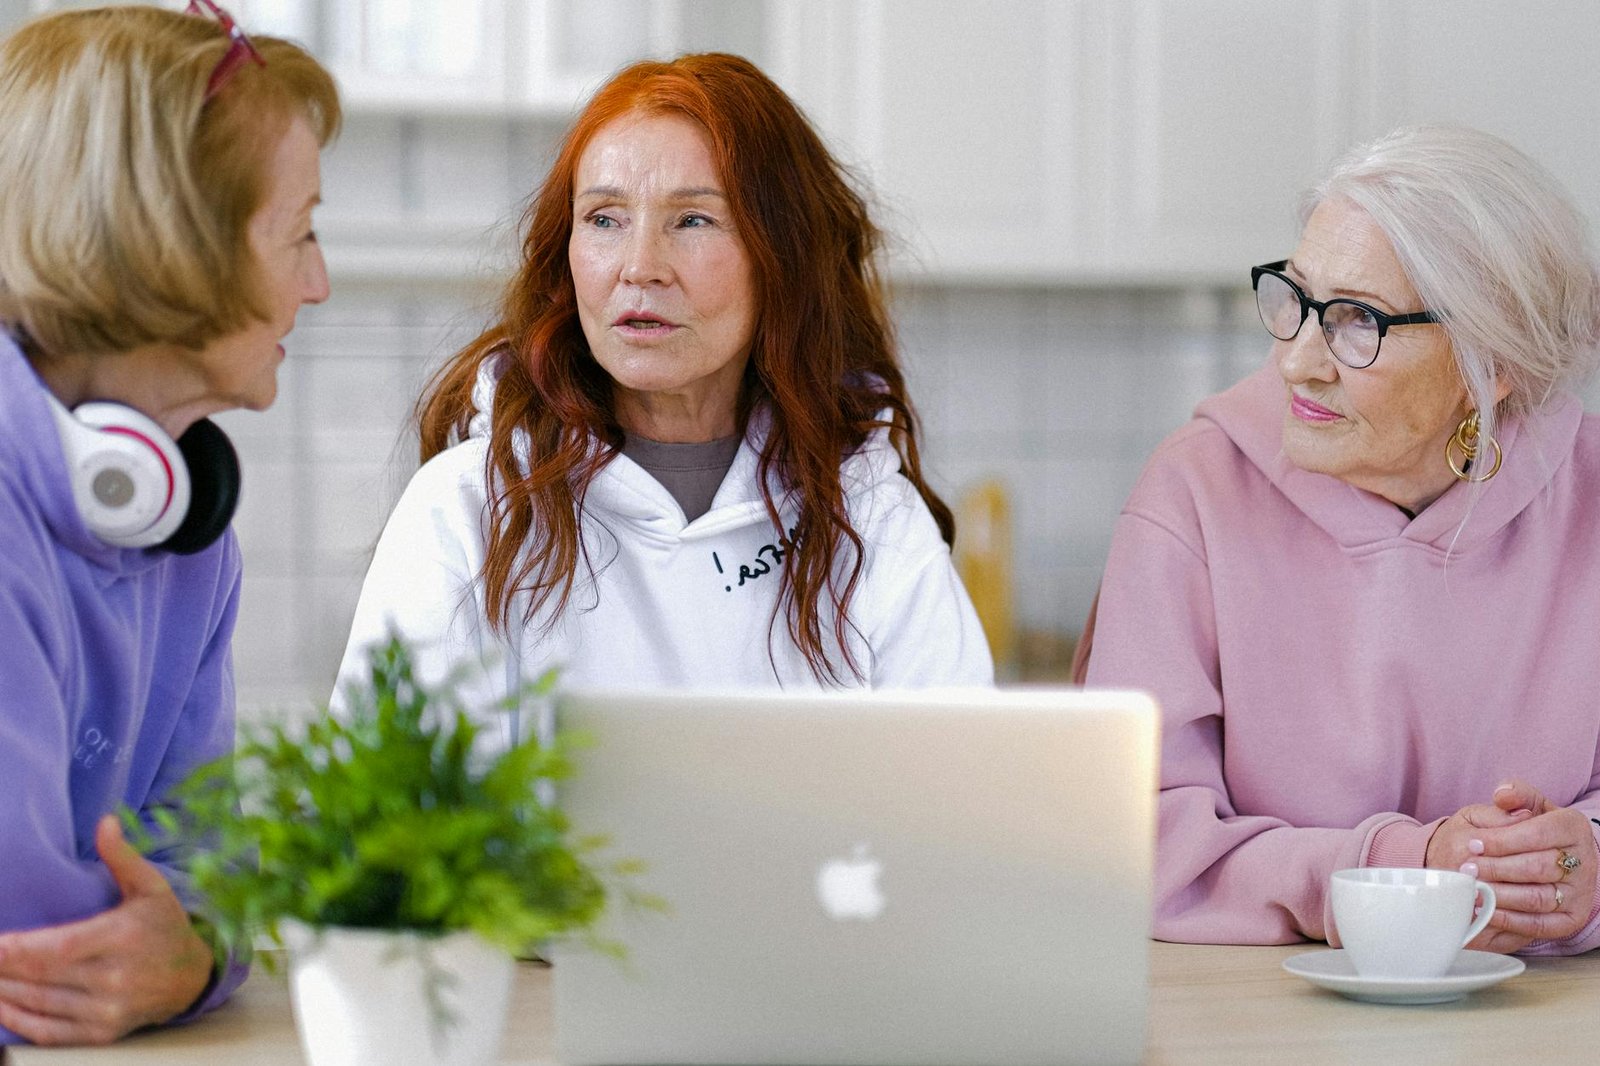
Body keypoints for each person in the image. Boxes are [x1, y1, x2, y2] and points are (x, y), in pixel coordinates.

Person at [336, 53, 990, 718]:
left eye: (693, 220)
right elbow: (387, 809)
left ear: (783, 257)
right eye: (604, 219)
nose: (640, 267)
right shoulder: (470, 508)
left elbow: (964, 796)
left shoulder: (870, 516)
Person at [1084, 125, 1600, 955]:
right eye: (1295, 299)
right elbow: (1132, 839)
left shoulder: (1590, 492)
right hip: (1256, 1019)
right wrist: (1407, 867)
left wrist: (1585, 862)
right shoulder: (1194, 490)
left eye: (1357, 320)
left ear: (1491, 361)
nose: (1298, 362)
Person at [0, 3, 338, 1045]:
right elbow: (39, 953)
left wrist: (193, 947)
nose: (317, 284)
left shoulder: (188, 531)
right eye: (301, 233)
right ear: (175, 246)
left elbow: (207, 871)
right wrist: (191, 944)